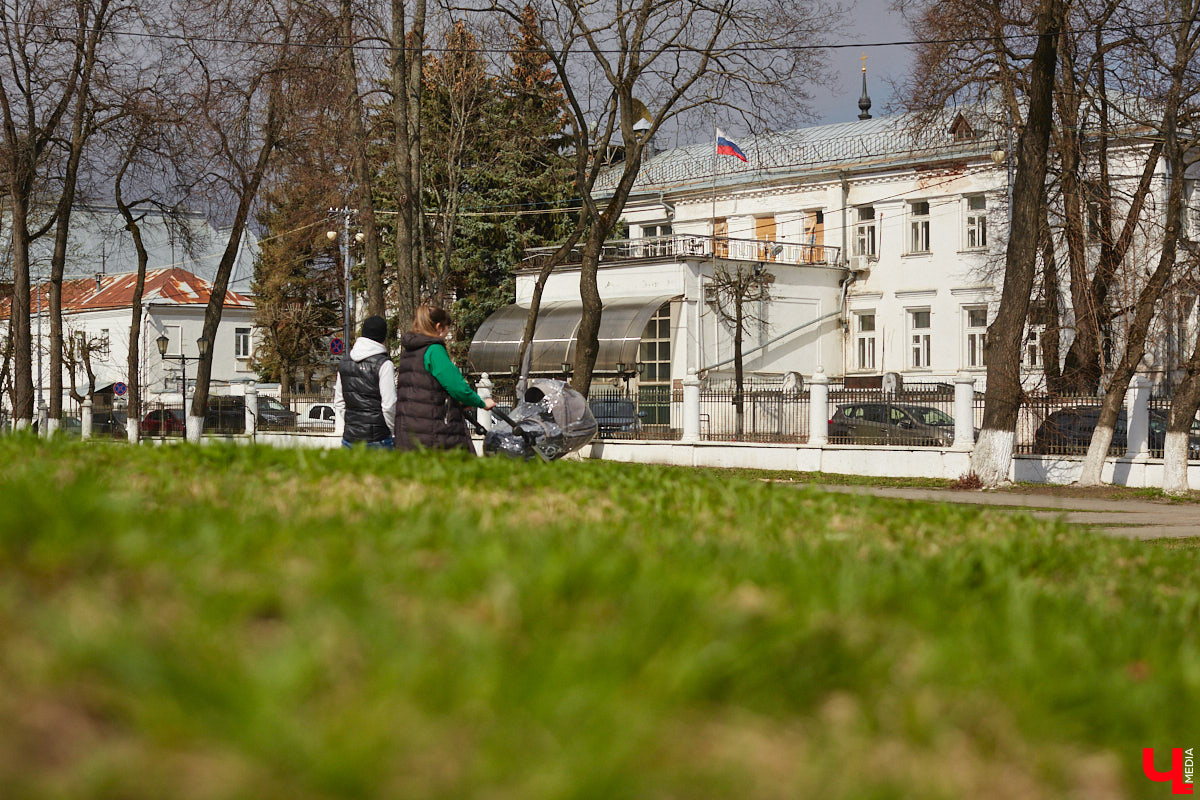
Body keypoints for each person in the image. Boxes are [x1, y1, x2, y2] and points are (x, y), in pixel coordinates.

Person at [395, 304, 496, 452]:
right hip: (433, 432)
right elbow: (456, 386)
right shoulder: (434, 350)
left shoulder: (409, 351)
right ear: (438, 327)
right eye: (446, 330)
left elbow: (425, 390)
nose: (446, 335)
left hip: (408, 430)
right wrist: (480, 402)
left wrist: (458, 403)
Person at [333, 315, 396, 449]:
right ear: (383, 337)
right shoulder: (384, 364)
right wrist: (393, 430)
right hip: (378, 438)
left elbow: (339, 401)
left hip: (350, 437)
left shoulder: (344, 363)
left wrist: (353, 425)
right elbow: (389, 405)